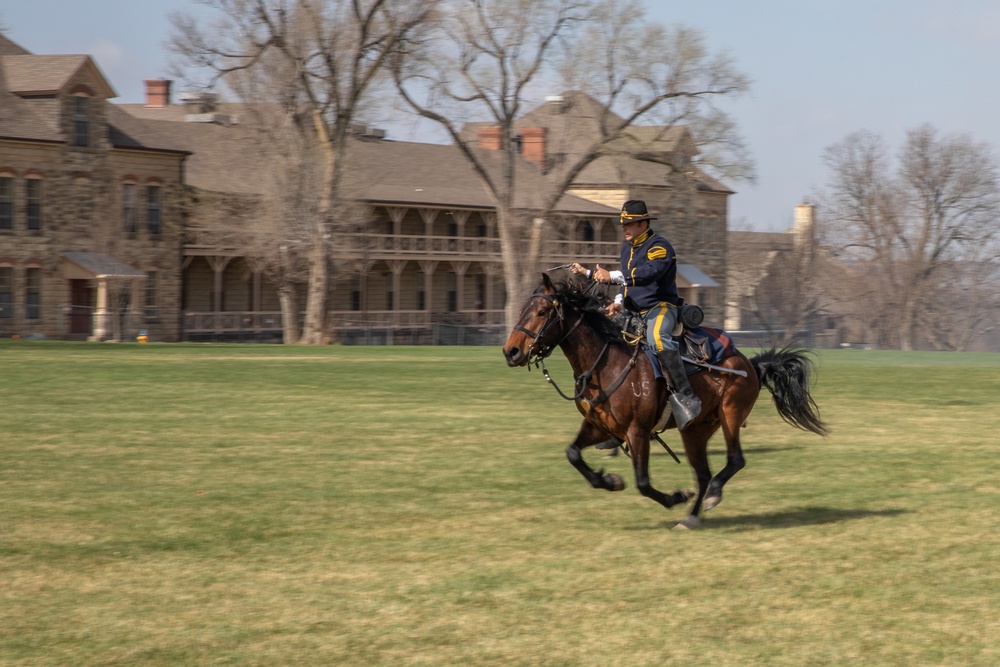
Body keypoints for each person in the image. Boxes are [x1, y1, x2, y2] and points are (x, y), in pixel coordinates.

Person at [570, 200, 701, 430]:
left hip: (660, 308)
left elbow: (648, 274)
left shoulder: (659, 246)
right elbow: (627, 284)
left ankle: (686, 395)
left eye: (629, 223)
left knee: (658, 339)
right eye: (623, 224)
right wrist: (619, 303)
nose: (625, 228)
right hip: (632, 311)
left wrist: (610, 276)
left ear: (643, 223)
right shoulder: (626, 249)